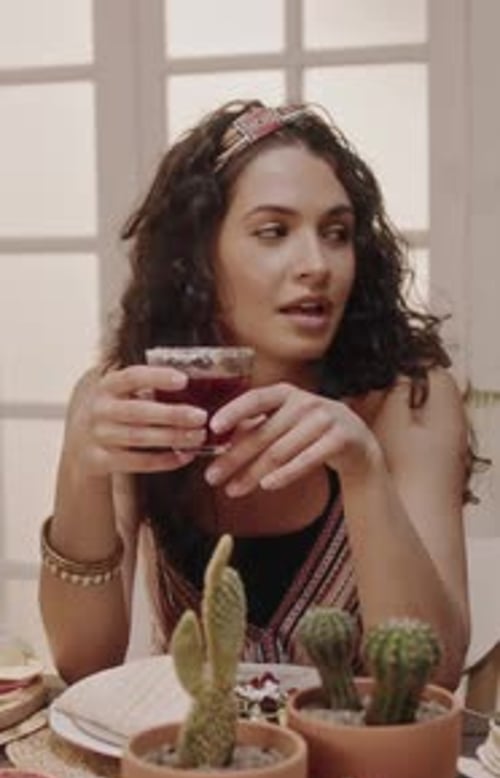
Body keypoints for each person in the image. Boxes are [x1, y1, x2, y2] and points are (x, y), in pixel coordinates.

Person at [38, 99, 471, 689]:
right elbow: (85, 663)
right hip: (198, 763)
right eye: (274, 232)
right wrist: (80, 468)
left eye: (337, 233)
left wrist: (363, 471)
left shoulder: (407, 398)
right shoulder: (133, 399)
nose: (316, 264)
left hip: (364, 766)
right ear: (199, 258)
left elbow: (432, 676)